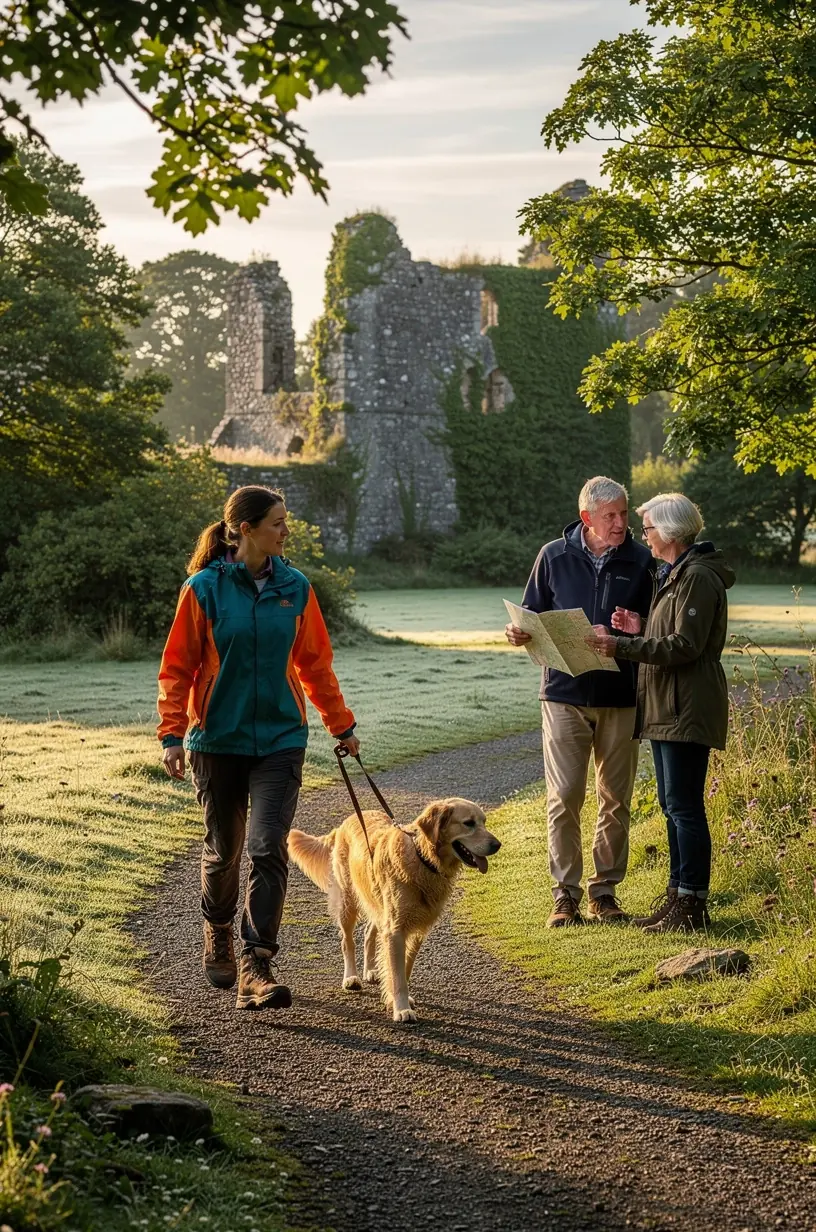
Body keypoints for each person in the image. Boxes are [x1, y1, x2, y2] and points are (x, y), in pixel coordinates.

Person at [157, 485, 359, 1011]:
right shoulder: (203, 589)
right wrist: (172, 734)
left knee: (268, 846)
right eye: (277, 523)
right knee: (225, 849)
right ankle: (218, 929)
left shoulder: (296, 587)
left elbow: (315, 665)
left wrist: (341, 726)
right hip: (216, 740)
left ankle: (257, 963)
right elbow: (177, 667)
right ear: (245, 529)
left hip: (280, 739)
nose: (286, 531)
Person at [505, 477, 654, 927]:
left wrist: (636, 626)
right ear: (587, 518)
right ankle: (564, 896)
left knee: (615, 799)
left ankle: (604, 893)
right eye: (611, 516)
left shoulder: (642, 559)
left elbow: (658, 627)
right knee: (565, 796)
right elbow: (530, 614)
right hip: (563, 695)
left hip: (621, 696)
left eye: (624, 513)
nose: (621, 523)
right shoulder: (552, 556)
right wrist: (517, 633)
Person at [588, 492, 735, 933]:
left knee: (684, 807)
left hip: (685, 705)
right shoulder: (676, 573)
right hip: (668, 704)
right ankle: (677, 897)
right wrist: (641, 628)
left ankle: (692, 905)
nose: (644, 535)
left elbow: (685, 645)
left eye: (648, 528)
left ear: (669, 531)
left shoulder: (697, 577)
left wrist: (622, 645)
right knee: (673, 806)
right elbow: (671, 634)